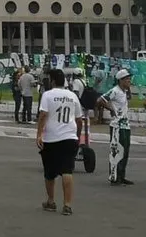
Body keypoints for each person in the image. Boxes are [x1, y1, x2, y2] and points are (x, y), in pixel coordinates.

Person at [35, 68, 83, 216]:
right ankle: (67, 204)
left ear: (53, 81)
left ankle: (51, 200)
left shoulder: (47, 95)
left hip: (52, 137)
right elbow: (79, 119)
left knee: (49, 172)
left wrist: (38, 135)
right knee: (67, 171)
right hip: (69, 136)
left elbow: (43, 115)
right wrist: (77, 135)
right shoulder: (72, 96)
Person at [97, 69, 133, 186]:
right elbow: (100, 100)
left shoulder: (124, 91)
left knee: (125, 151)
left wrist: (128, 89)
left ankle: (121, 176)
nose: (129, 80)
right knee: (117, 151)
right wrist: (111, 109)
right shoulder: (115, 91)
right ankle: (114, 177)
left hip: (125, 125)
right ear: (120, 80)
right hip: (117, 125)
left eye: (129, 78)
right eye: (126, 79)